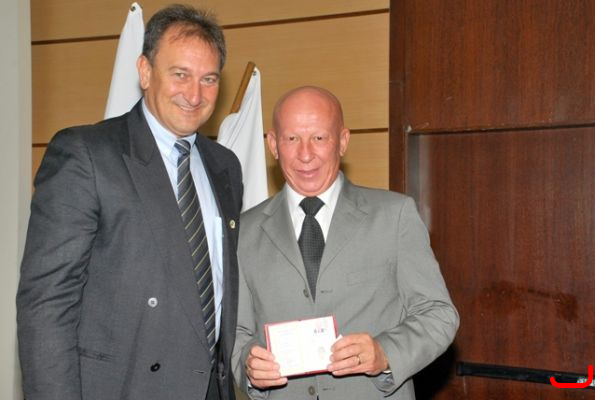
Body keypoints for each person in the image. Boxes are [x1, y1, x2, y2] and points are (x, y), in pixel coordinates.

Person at [17, 5, 242, 400]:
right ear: (145, 71)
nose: (195, 95)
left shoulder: (225, 166)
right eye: (180, 74)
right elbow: (47, 305)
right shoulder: (86, 155)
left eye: (208, 79)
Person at [232, 86, 459, 400]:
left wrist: (385, 353)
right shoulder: (244, 231)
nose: (305, 154)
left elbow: (438, 314)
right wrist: (248, 365)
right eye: (292, 138)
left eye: (319, 138)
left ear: (342, 141)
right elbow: (235, 333)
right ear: (273, 144)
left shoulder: (394, 216)